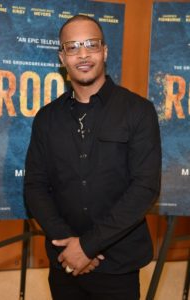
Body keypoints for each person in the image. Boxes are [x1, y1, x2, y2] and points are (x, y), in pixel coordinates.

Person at [24, 15, 161, 300]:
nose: (83, 54)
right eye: (72, 47)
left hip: (118, 265)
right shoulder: (46, 119)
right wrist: (69, 247)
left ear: (105, 51)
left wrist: (87, 247)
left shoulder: (139, 111)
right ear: (62, 57)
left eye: (91, 45)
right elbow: (35, 187)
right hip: (63, 262)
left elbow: (145, 188)